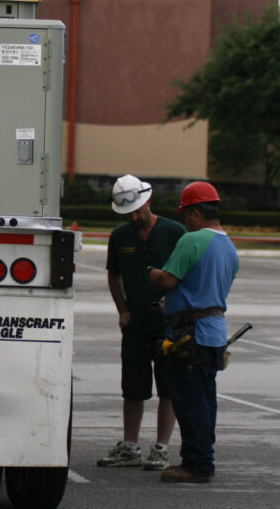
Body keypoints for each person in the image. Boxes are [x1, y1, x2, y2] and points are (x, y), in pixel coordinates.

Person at [148, 181, 238, 483]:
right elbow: (204, 289)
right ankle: (202, 458)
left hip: (191, 335)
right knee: (205, 401)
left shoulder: (193, 240)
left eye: (186, 214)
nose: (185, 220)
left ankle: (197, 465)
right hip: (214, 334)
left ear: (195, 213)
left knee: (190, 402)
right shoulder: (229, 247)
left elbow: (168, 280)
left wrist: (151, 273)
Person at [96, 175, 184, 471]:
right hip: (135, 325)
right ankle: (130, 446)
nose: (133, 218)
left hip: (168, 326)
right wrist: (122, 310)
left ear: (148, 201)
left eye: (136, 211)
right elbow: (113, 274)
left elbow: (188, 273)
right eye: (127, 214)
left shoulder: (174, 232)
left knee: (168, 388)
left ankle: (161, 448)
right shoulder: (120, 236)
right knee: (133, 388)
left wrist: (174, 301)